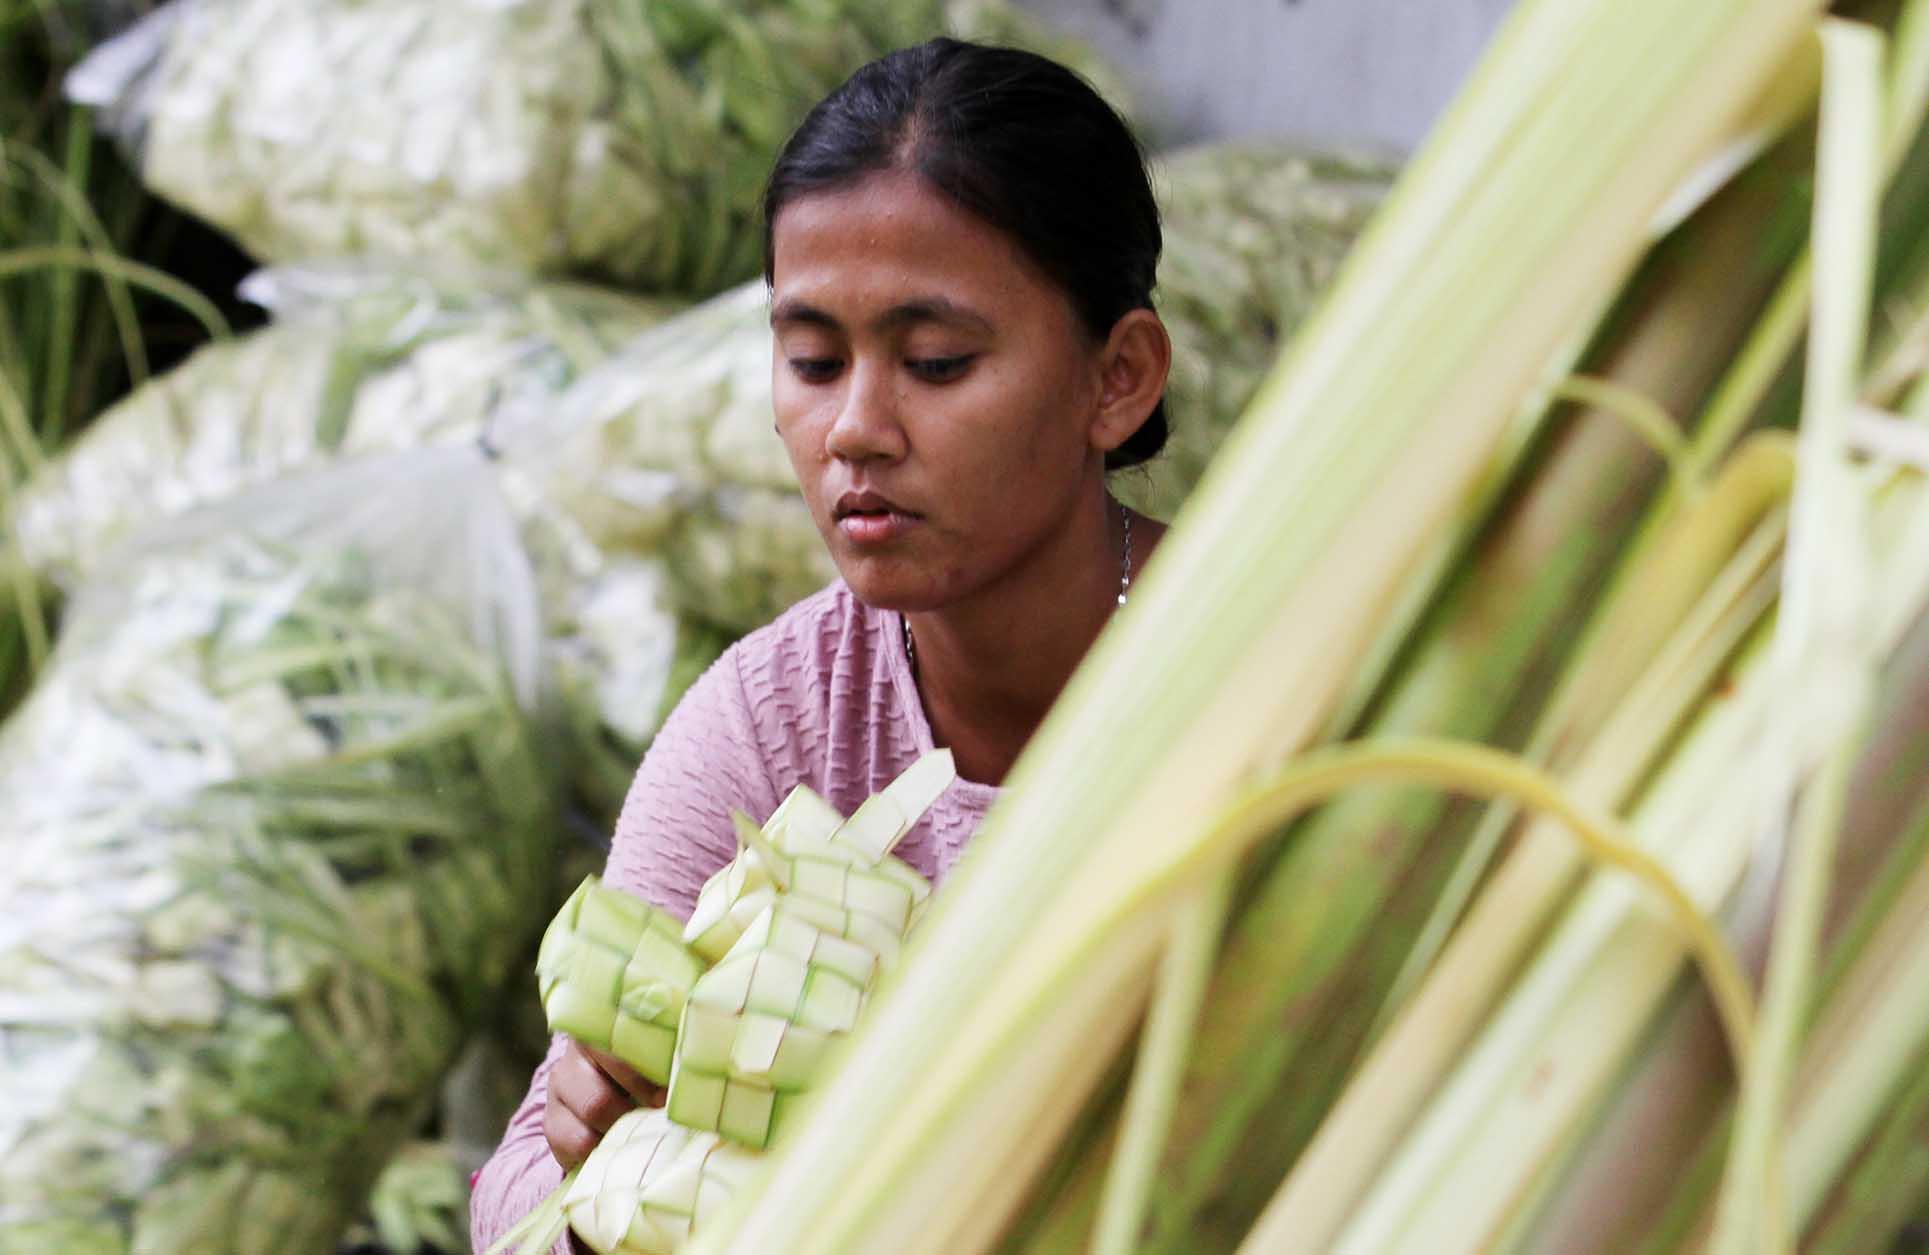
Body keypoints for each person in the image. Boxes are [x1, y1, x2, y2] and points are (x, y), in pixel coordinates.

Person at [470, 34, 1172, 1251]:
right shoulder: (773, 722)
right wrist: (596, 1165)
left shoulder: (1264, 673)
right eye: (811, 358)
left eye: (936, 361)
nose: (854, 428)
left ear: (1117, 377)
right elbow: (511, 1195)